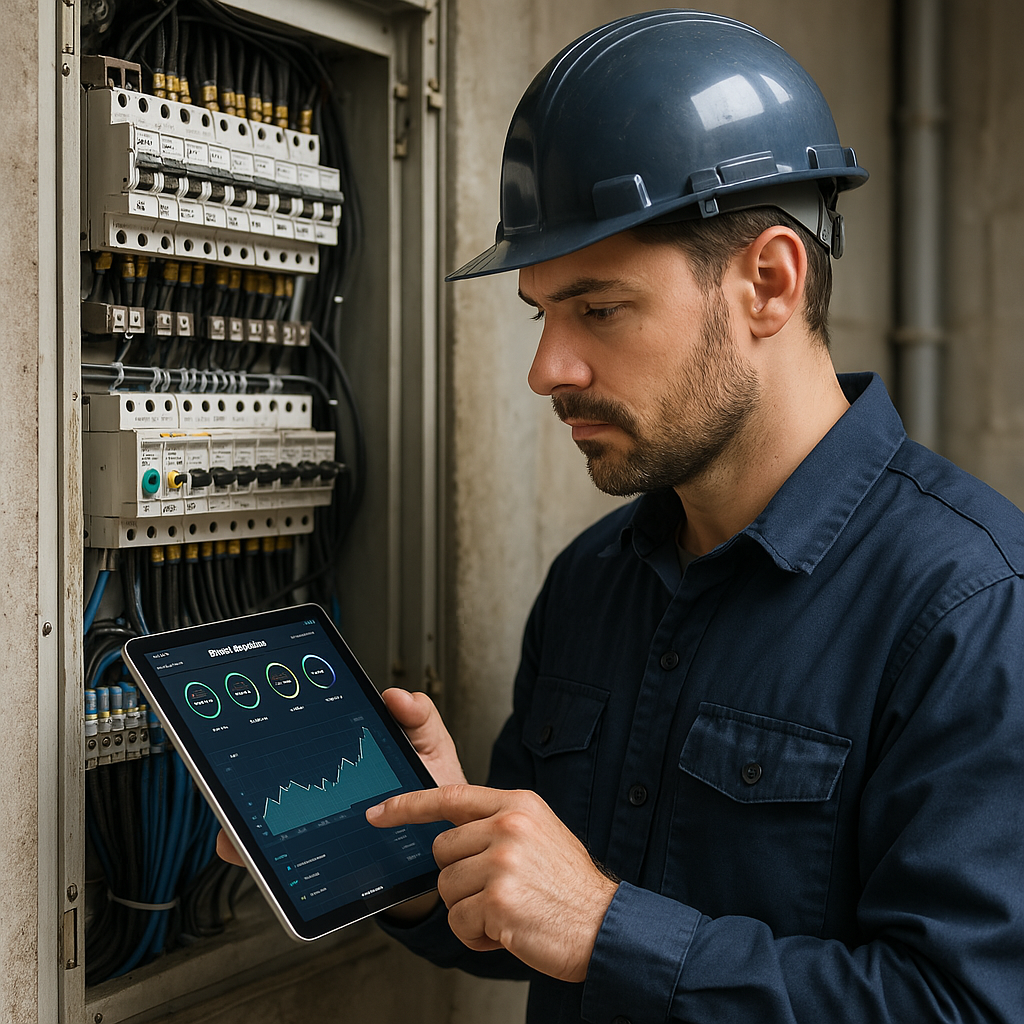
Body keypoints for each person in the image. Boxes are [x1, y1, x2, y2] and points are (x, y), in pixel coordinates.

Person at [221, 10, 1024, 1022]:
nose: (547, 369)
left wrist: (607, 925)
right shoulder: (592, 582)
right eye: (541, 312)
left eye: (597, 310)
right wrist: (427, 858)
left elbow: (966, 1005)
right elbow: (540, 930)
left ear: (767, 282)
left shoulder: (975, 609)